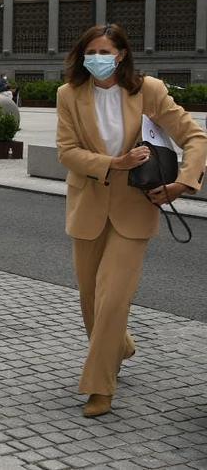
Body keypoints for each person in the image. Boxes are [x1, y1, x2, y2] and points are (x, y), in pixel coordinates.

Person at [56, 23, 206, 418]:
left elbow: (195, 137)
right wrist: (113, 163)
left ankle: (99, 386)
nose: (98, 60)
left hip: (135, 209)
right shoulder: (69, 95)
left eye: (106, 53)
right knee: (90, 299)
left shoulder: (149, 91)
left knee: (113, 298)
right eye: (92, 52)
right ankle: (119, 346)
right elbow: (67, 152)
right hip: (88, 206)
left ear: (121, 55)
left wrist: (184, 183)